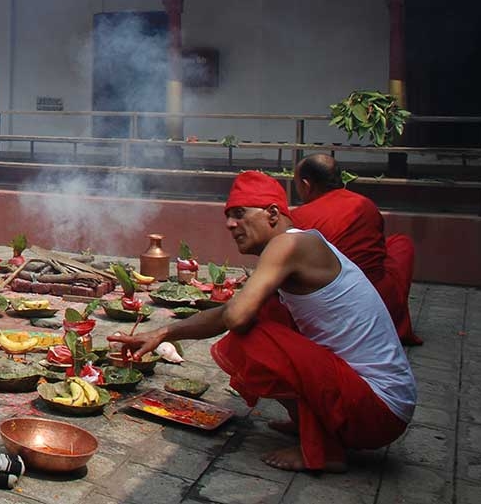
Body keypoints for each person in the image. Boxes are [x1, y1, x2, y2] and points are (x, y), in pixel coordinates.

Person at [110, 171, 416, 474]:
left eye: (240, 214)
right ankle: (310, 423)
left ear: (272, 214)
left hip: (378, 411)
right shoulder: (300, 243)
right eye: (228, 217)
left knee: (251, 336)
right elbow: (228, 311)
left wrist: (179, 328)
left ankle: (324, 450)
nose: (230, 225)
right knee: (267, 313)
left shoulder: (289, 245)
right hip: (380, 407)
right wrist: (162, 332)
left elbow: (235, 317)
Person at [291, 153, 421, 345]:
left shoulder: (300, 219)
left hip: (333, 312)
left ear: (306, 185)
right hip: (381, 303)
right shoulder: (365, 204)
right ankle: (397, 322)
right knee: (400, 245)